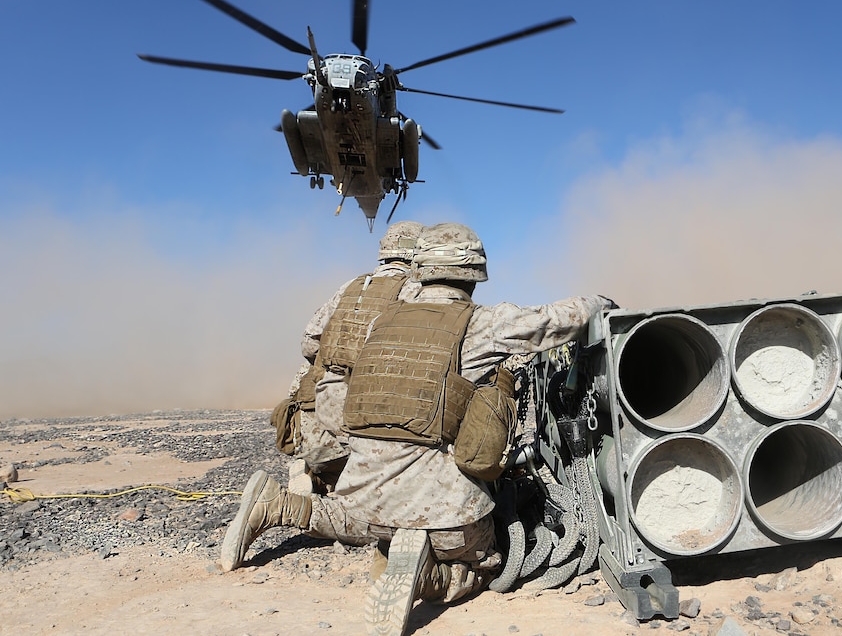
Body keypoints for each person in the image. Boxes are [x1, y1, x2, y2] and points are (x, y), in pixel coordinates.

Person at [222, 222, 613, 635]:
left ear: (421, 268)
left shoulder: (379, 324)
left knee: (349, 518)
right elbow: (556, 320)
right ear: (475, 273)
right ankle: (430, 576)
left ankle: (281, 506)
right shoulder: (481, 324)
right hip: (444, 514)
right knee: (484, 563)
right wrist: (600, 302)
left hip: (362, 503)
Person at [272, 221, 423, 495]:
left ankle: (314, 472)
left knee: (314, 367)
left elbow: (309, 343)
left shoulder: (352, 286)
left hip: (313, 430)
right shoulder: (416, 292)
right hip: (366, 433)